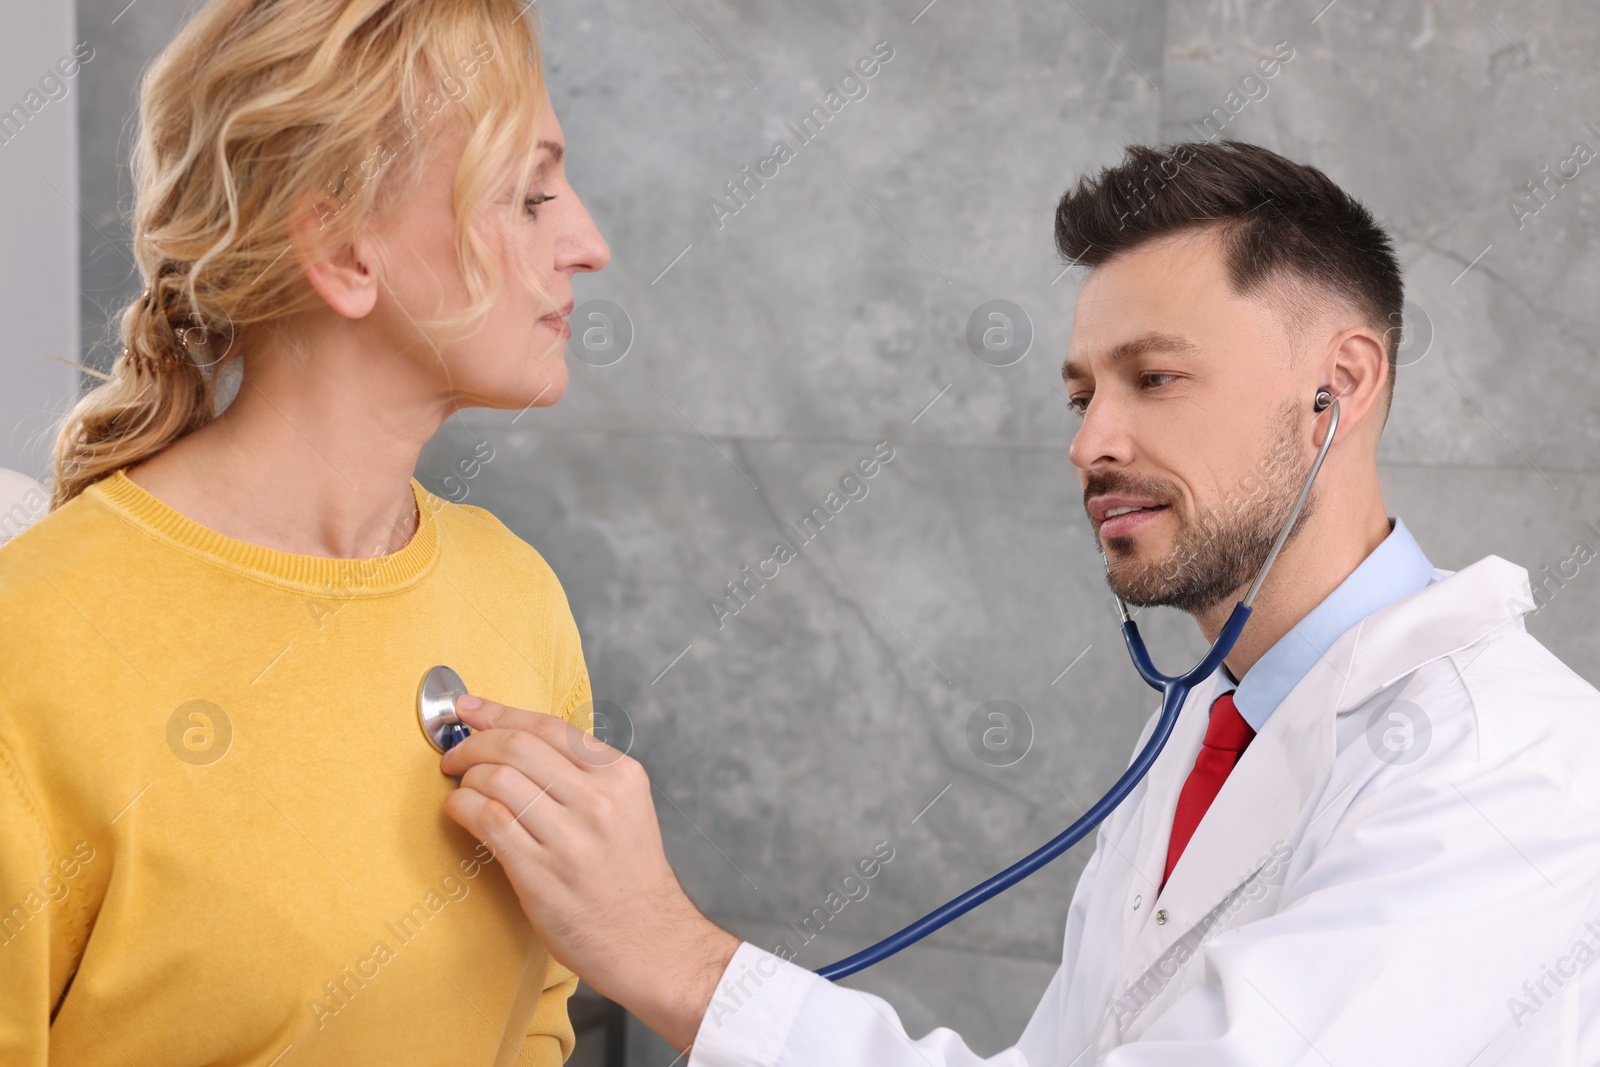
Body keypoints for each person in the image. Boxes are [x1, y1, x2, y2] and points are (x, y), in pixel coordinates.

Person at [438, 141, 1600, 1065]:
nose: (1092, 442)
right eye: (1082, 393)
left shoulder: (1512, 768)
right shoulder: (1203, 726)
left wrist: (676, 959)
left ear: (1335, 387)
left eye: (1154, 378)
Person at [0, 0, 609, 1062]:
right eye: (528, 195)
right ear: (341, 250)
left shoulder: (518, 597)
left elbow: (542, 1009)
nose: (588, 244)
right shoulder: (33, 650)